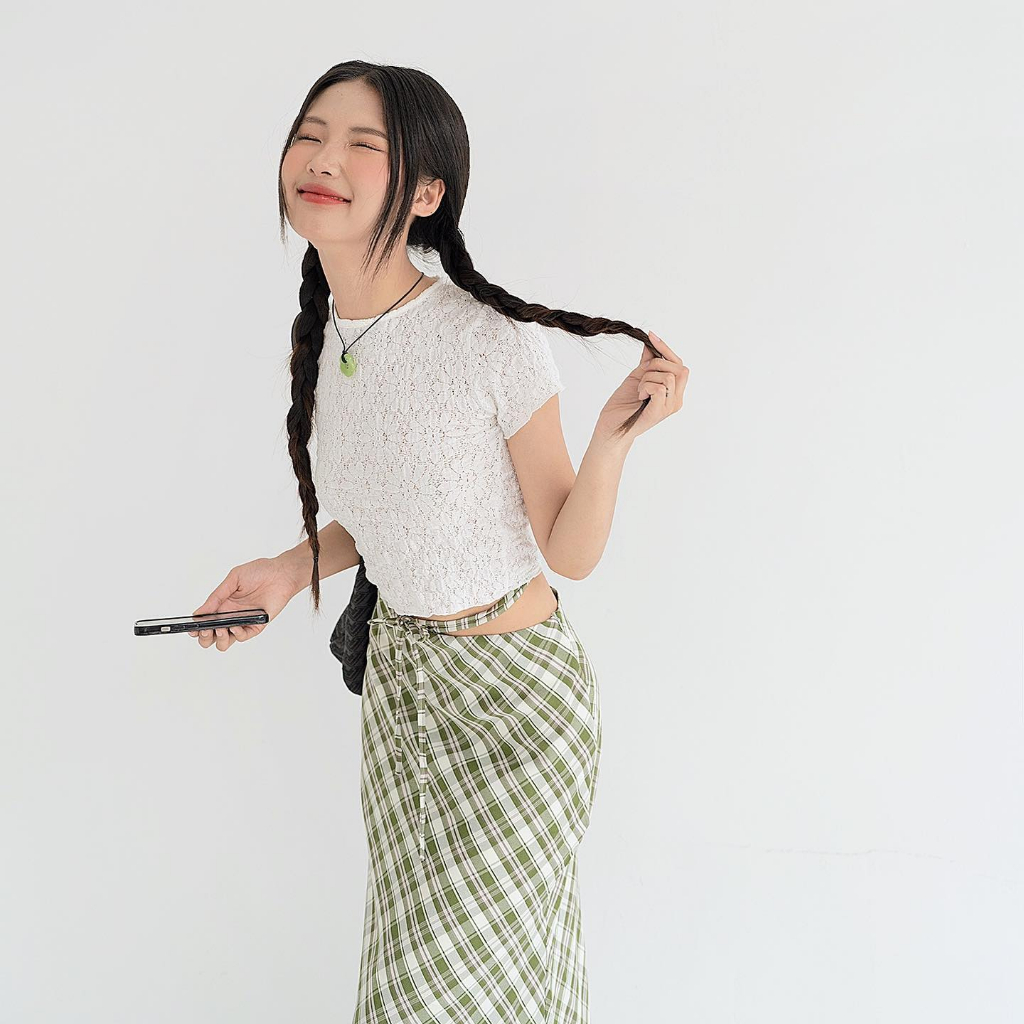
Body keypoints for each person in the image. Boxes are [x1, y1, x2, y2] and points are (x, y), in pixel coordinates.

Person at [189, 62, 687, 1024]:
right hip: (403, 700)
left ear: (425, 192)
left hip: (515, 709)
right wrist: (288, 571)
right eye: (310, 134)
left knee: (451, 998)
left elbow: (568, 550)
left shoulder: (488, 339)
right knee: (410, 993)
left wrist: (612, 440)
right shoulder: (327, 340)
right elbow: (398, 510)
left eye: (362, 145)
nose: (323, 159)